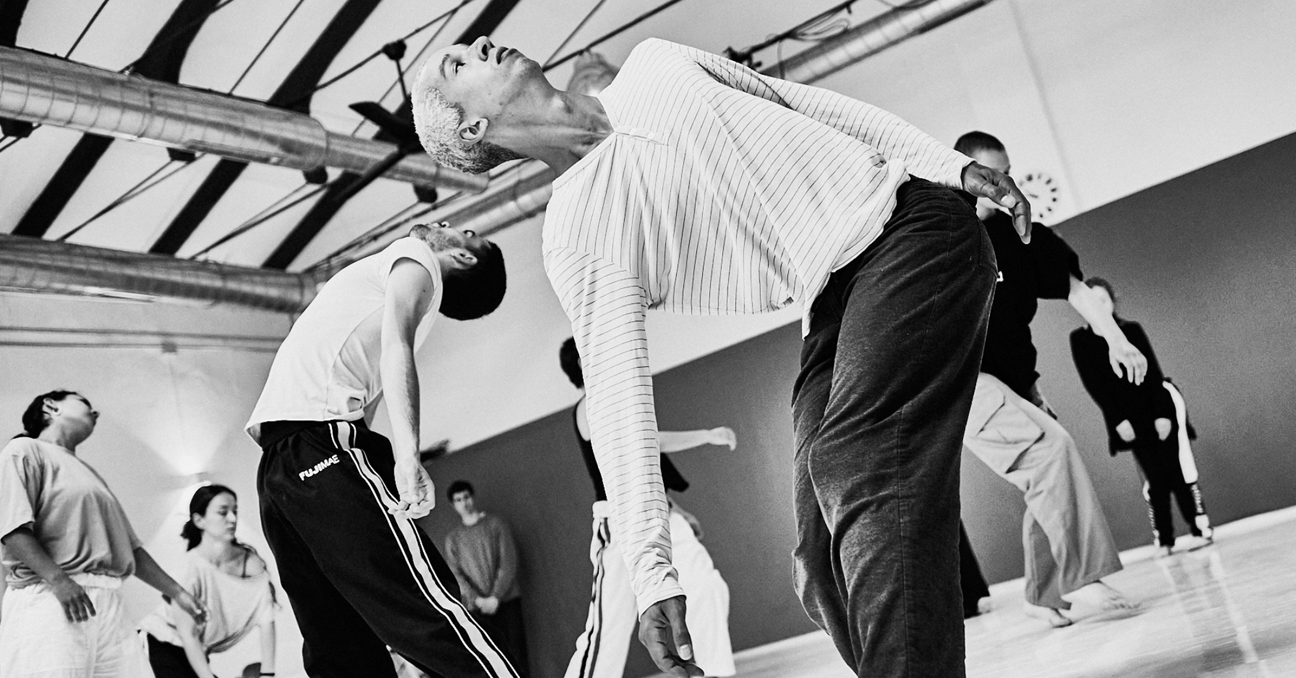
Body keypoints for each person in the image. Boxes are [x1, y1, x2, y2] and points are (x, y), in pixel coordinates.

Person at [415, 36, 1028, 678]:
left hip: (909, 227)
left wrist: (945, 163)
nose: (480, 44)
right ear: (473, 128)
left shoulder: (657, 64)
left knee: (856, 460)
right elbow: (619, 406)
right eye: (457, 66)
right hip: (828, 301)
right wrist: (653, 577)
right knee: (816, 562)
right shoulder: (577, 233)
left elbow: (805, 102)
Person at [246, 223, 519, 678]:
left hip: (318, 444)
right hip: (282, 465)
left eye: (466, 233)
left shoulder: (419, 260)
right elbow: (371, 395)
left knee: (422, 608)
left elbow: (398, 350)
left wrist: (408, 456)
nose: (447, 225)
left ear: (464, 259)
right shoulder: (395, 294)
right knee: (335, 643)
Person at [954, 131, 1144, 628]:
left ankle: (1044, 594)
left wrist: (1116, 340)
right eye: (991, 173)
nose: (1003, 183)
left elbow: (1077, 289)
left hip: (1018, 383)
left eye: (1008, 171)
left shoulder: (1023, 234)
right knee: (1050, 452)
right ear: (966, 171)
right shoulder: (939, 232)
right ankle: (1084, 577)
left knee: (1052, 474)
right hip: (965, 384)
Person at [559, 338, 736, 678]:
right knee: (609, 626)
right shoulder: (590, 405)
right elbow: (648, 441)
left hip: (659, 511)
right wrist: (707, 434)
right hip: (620, 522)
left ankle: (712, 672)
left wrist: (675, 509)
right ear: (583, 364)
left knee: (706, 585)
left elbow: (644, 466)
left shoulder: (616, 399)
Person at [0, 390, 208, 677]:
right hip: (52, 597)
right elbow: (11, 527)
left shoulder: (88, 473)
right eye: (85, 404)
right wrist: (58, 580)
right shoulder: (24, 450)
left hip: (107, 601)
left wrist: (177, 592)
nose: (95, 413)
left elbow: (128, 549)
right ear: (51, 406)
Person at [1070, 277, 1213, 557]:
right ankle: (1165, 539)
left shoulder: (1131, 331)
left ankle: (1200, 529)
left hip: (1158, 411)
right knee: (1156, 480)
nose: (1099, 305)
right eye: (1092, 300)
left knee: (1178, 473)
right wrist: (1118, 420)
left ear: (1113, 301)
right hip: (1128, 422)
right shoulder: (1081, 340)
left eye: (1104, 299)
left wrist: (1163, 415)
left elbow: (1153, 373)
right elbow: (1094, 384)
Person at [139, 484, 278, 678]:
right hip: (160, 644)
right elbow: (189, 635)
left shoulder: (251, 563)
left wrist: (268, 674)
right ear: (199, 520)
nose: (232, 519)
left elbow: (266, 617)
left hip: (197, 651)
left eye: (234, 511)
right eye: (223, 512)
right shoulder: (189, 568)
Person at [444, 480, 529, 676]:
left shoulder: (496, 524)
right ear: (453, 505)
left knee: (517, 653)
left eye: (466, 497)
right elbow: (456, 574)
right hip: (477, 608)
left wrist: (495, 597)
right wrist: (477, 600)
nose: (464, 503)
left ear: (473, 497)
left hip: (507, 602)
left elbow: (508, 562)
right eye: (458, 500)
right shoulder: (453, 539)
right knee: (492, 658)